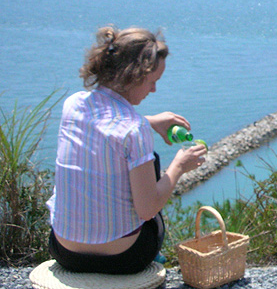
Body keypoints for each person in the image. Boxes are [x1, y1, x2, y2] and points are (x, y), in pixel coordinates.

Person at [47, 25, 208, 274]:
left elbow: (105, 128)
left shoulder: (73, 105)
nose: (153, 90)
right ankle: (156, 257)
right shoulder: (134, 130)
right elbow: (147, 208)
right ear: (135, 75)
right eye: (152, 82)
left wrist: (150, 121)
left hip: (64, 251)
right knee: (151, 167)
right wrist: (179, 167)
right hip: (124, 258)